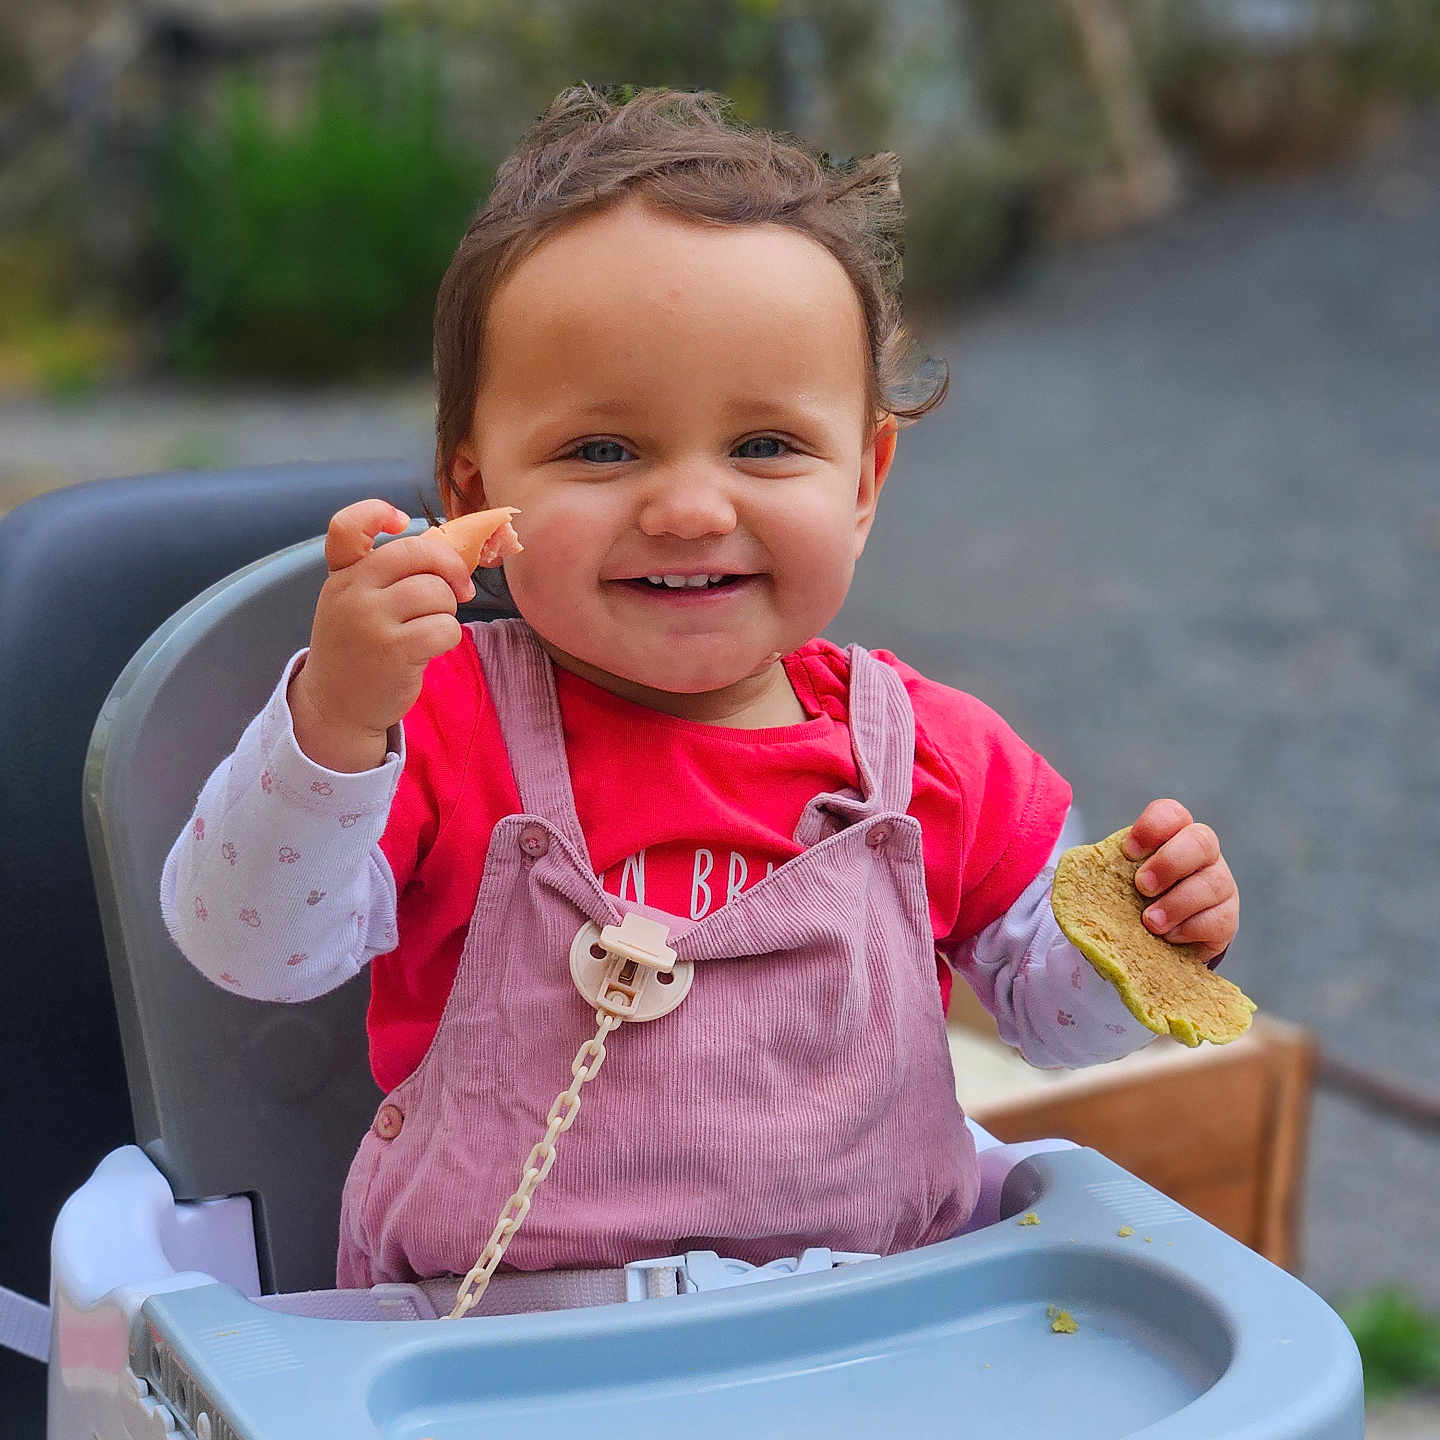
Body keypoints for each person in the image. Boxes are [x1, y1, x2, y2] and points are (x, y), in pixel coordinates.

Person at [161, 86, 1239, 1299]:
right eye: (604, 450)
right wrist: (340, 722)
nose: (688, 507)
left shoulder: (934, 756)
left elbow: (1051, 1028)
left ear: (866, 478)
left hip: (871, 1335)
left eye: (766, 445)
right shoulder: (441, 722)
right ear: (475, 493)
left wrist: (1134, 943)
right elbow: (247, 949)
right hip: (496, 1351)